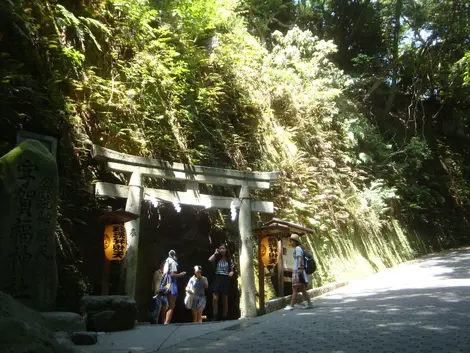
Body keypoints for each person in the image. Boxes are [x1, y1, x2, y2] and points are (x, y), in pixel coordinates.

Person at [284, 234, 312, 310]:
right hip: (300, 270)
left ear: (295, 241)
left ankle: (291, 306)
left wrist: (299, 268)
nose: (290, 242)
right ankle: (309, 303)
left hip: (298, 270)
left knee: (295, 288)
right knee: (302, 288)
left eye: (291, 241)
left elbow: (299, 258)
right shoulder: (300, 248)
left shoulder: (298, 248)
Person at [208, 244, 235, 321]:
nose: (222, 250)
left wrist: (231, 273)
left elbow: (232, 270)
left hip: (225, 278)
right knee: (215, 298)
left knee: (225, 298)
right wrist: (215, 253)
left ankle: (224, 315)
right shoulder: (216, 257)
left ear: (226, 249)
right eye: (220, 248)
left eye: (223, 248)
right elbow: (210, 260)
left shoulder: (229, 259)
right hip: (217, 277)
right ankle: (215, 315)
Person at [162, 250, 186, 324]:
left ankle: (163, 322)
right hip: (171, 283)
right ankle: (166, 323)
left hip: (165, 283)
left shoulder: (167, 261)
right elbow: (172, 274)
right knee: (172, 305)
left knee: (165, 305)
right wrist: (181, 274)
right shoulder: (173, 263)